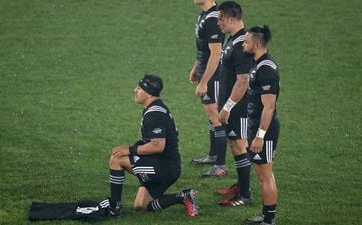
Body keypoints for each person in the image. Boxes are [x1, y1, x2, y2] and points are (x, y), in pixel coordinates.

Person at [108, 74, 199, 217]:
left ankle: (114, 207)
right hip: (167, 165)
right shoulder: (156, 108)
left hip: (163, 167)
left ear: (148, 92)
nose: (135, 90)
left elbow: (157, 146)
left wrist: (130, 150)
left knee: (116, 159)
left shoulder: (154, 114)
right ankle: (183, 197)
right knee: (141, 205)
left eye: (139, 88)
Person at [207, 1, 253, 207]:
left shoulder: (243, 43)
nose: (218, 22)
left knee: (240, 145)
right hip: (231, 104)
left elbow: (243, 80)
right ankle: (241, 187)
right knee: (234, 145)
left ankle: (245, 194)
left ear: (233, 18)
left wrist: (227, 107)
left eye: (221, 19)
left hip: (240, 106)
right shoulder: (234, 40)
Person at [242, 26, 281, 225]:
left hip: (263, 129)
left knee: (266, 176)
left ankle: (269, 219)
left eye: (246, 42)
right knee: (261, 175)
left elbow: (269, 107)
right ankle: (266, 216)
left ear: (257, 45)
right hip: (256, 126)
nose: (243, 44)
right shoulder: (257, 63)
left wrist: (260, 135)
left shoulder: (266, 68)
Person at [190, 0, 226, 167]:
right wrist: (197, 66)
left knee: (216, 117)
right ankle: (213, 155)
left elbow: (216, 53)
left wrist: (204, 81)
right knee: (211, 116)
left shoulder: (212, 18)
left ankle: (220, 165)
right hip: (206, 71)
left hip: (214, 75)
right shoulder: (204, 15)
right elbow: (204, 48)